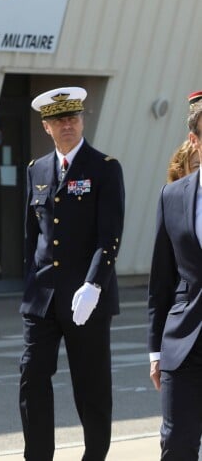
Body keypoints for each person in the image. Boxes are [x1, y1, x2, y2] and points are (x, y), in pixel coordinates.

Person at [19, 87, 125, 461]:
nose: (67, 125)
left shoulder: (104, 167)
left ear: (81, 120)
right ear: (46, 126)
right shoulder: (37, 170)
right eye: (59, 120)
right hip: (43, 297)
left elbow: (109, 234)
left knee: (91, 386)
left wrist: (95, 283)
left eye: (73, 117)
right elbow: (32, 237)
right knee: (32, 378)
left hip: (86, 297)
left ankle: (94, 456)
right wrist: (30, 285)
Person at [148, 102, 202, 460]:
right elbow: (161, 280)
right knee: (176, 444)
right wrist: (155, 351)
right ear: (194, 140)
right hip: (184, 343)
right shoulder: (173, 196)